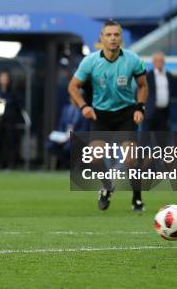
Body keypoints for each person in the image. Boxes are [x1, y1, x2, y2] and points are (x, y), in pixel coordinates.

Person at [68, 20, 148, 211]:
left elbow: (143, 85)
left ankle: (137, 198)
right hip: (101, 115)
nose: (113, 38)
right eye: (109, 35)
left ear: (121, 38)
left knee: (130, 158)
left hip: (126, 112)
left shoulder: (132, 59)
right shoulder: (90, 61)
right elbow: (72, 87)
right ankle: (107, 186)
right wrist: (84, 107)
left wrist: (140, 108)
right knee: (95, 157)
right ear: (101, 39)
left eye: (116, 35)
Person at [0, 71, 22, 169]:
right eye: (2, 78)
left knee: (10, 142)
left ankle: (10, 163)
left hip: (10, 121)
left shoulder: (12, 92)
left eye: (5, 78)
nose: (4, 80)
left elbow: (17, 106)